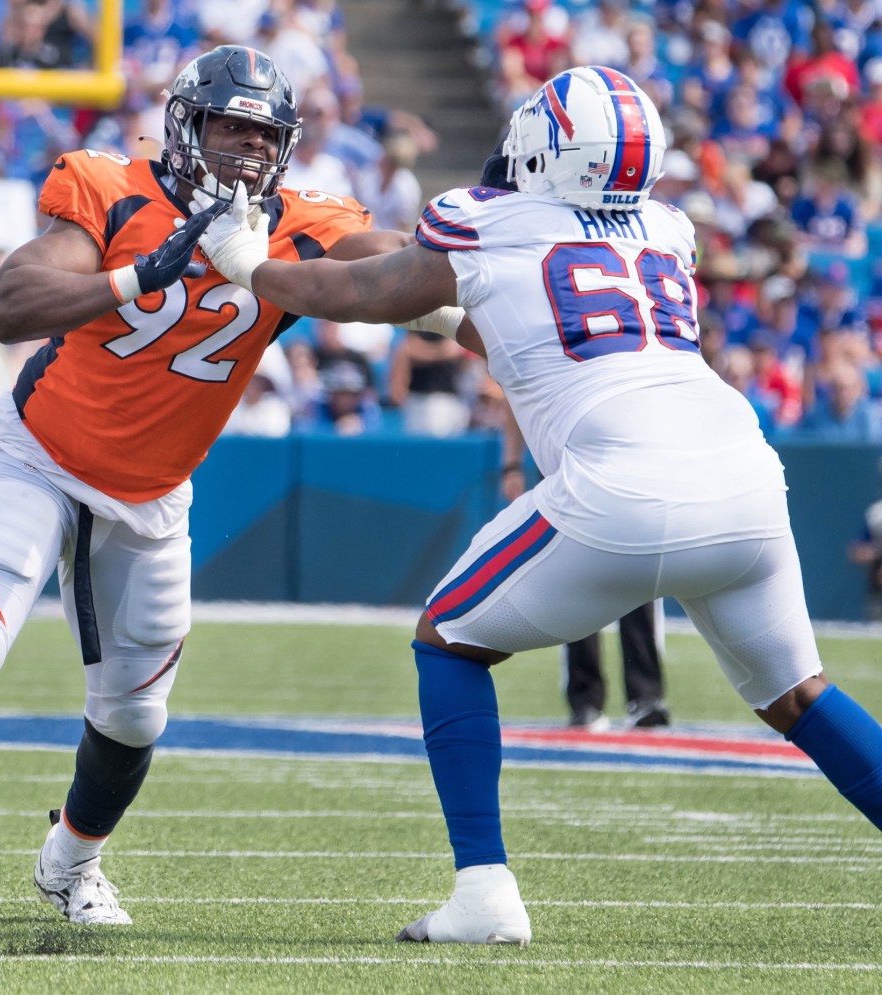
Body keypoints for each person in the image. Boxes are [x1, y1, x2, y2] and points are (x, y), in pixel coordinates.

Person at [194, 65, 882, 945]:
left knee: (448, 639)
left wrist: (250, 264)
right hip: (744, 472)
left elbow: (359, 293)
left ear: (551, 147)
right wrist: (447, 310)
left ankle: (484, 890)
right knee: (799, 695)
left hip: (623, 485)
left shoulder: (485, 219)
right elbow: (540, 316)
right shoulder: (669, 231)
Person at [0, 45, 417, 929]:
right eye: (228, 128)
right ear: (186, 124)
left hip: (152, 494)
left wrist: (457, 251)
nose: (245, 153)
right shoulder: (111, 185)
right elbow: (13, 301)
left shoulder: (300, 220)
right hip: (38, 455)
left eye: (263, 136)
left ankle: (71, 861)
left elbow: (393, 267)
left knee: (136, 719)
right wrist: (141, 271)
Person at [501, 412, 668, 730]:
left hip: (622, 459)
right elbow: (514, 389)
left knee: (636, 574)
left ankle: (646, 696)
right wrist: (511, 463)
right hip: (564, 467)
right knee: (575, 580)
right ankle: (586, 699)